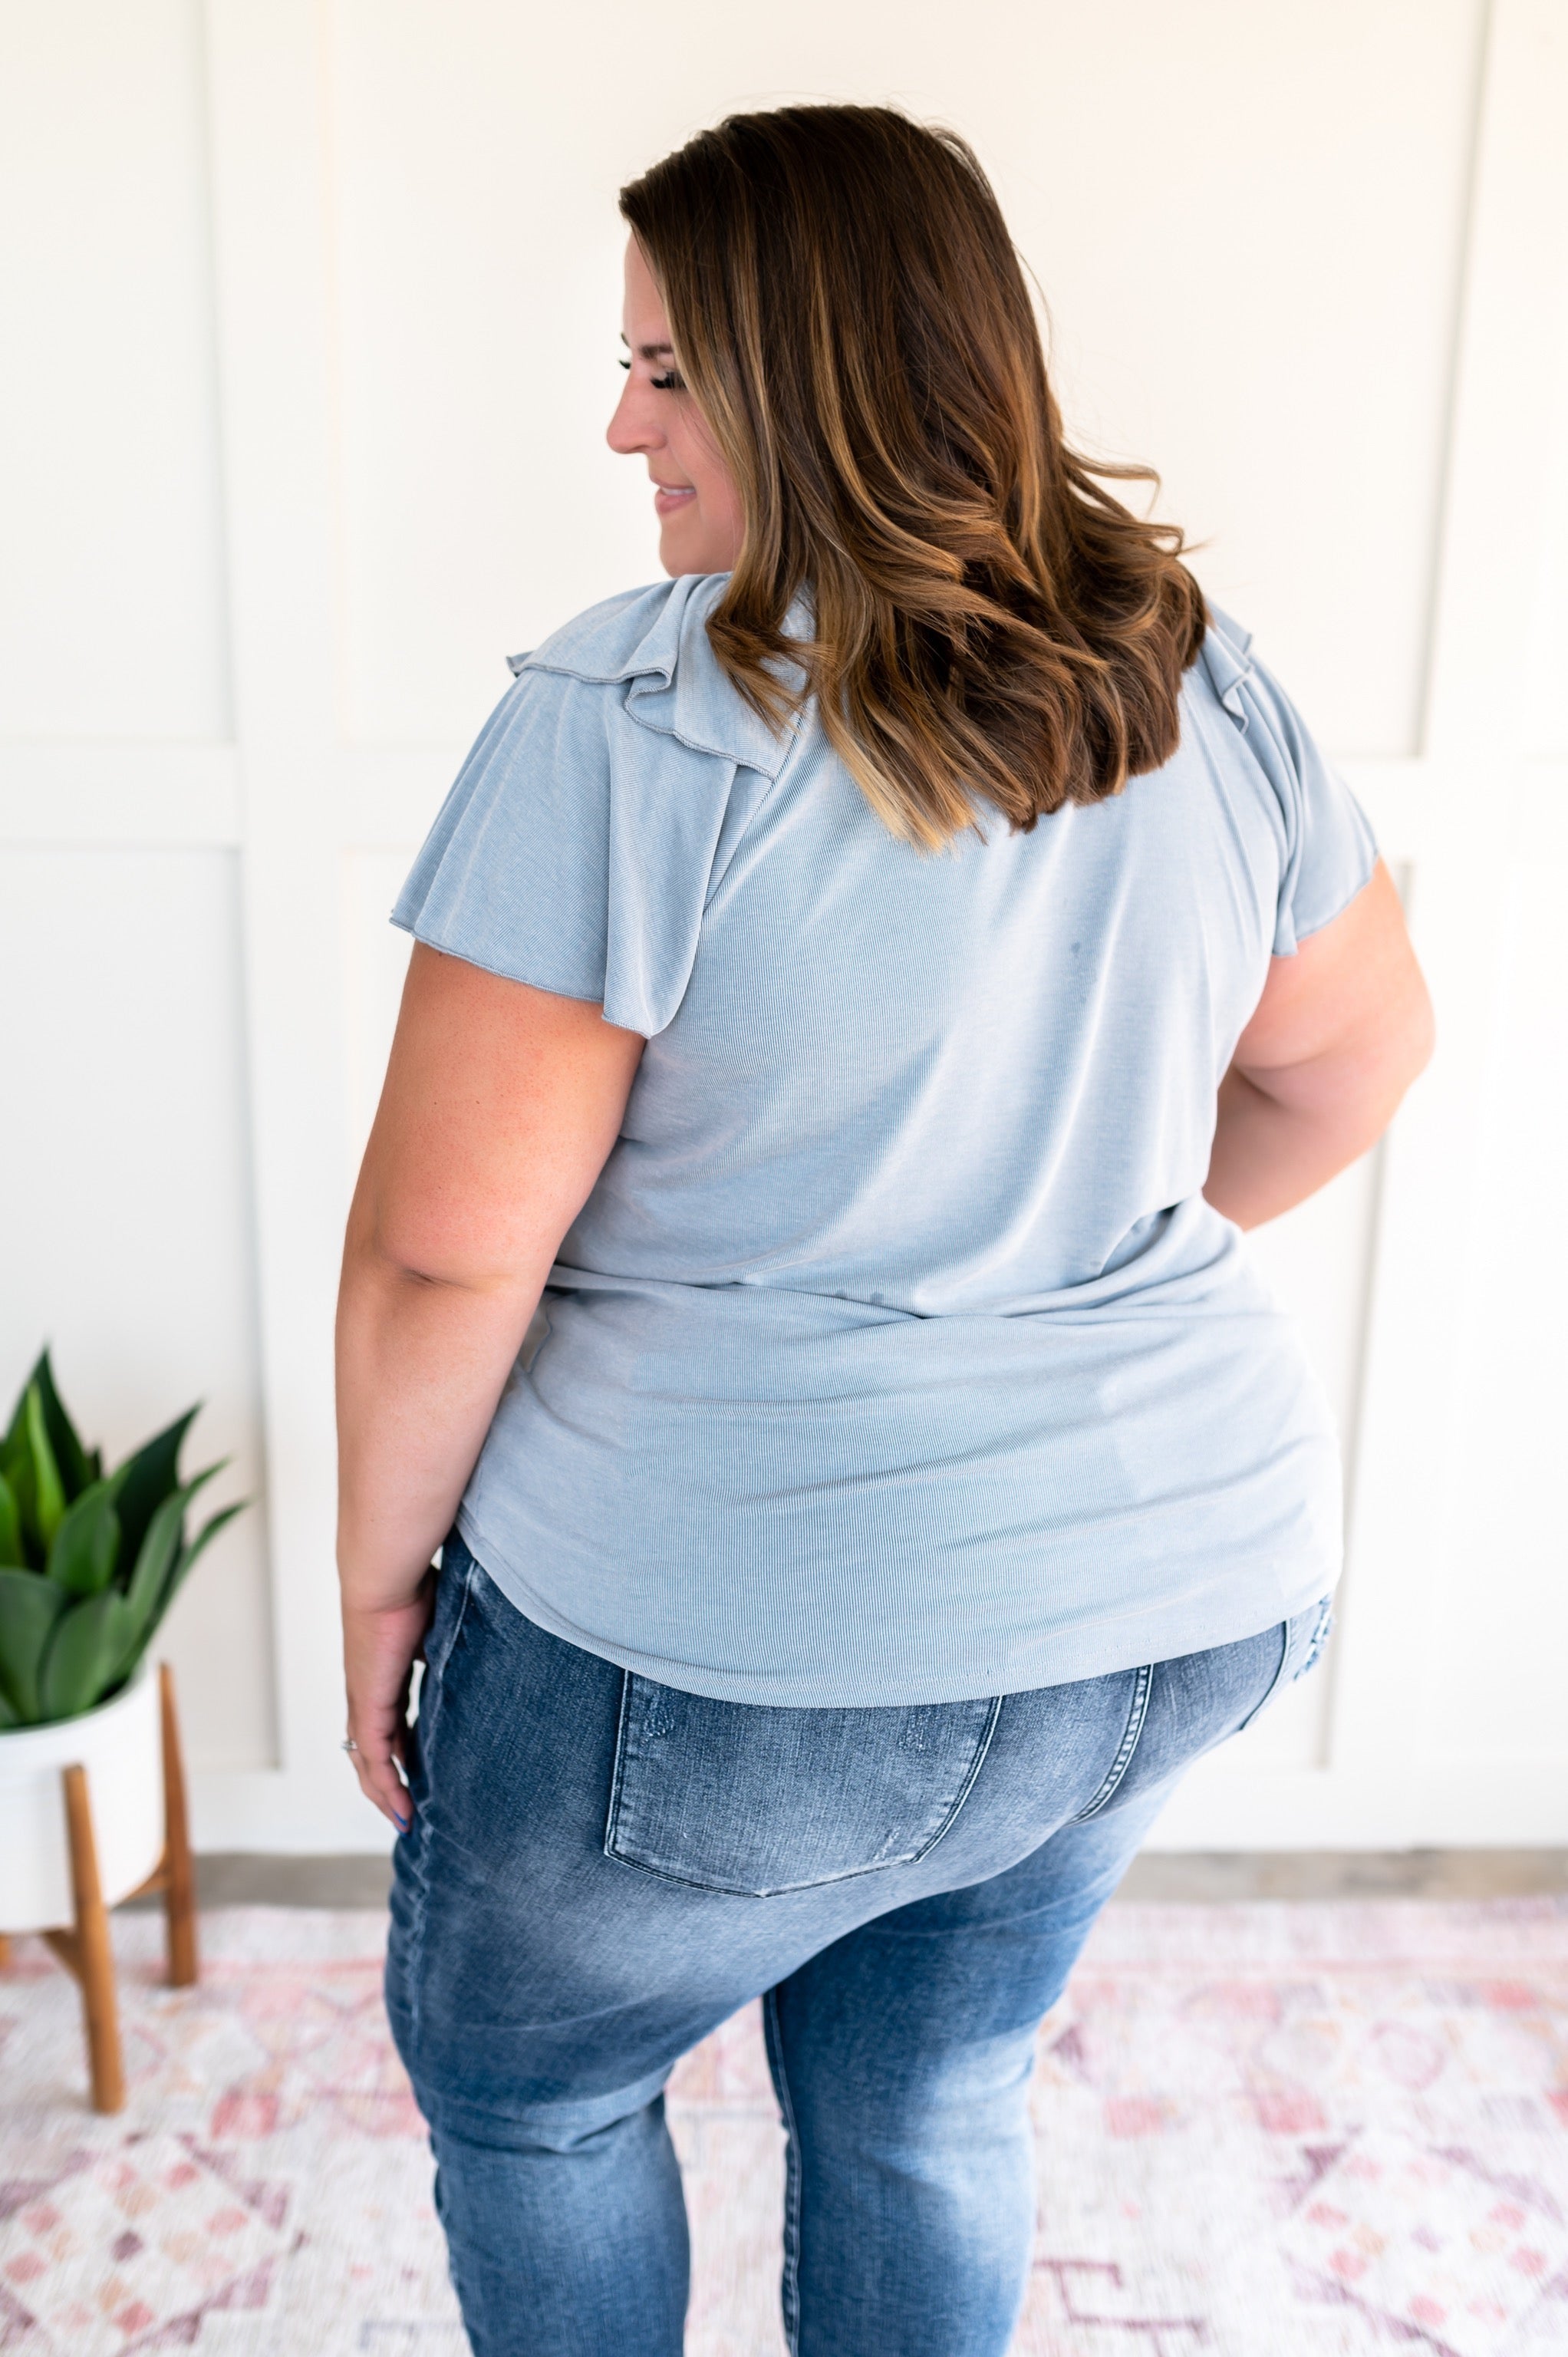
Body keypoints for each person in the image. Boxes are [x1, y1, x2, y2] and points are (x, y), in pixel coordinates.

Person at [334, 104, 1433, 2357]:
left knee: (539, 2101)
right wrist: (1031, 1256)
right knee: (928, 2094)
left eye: (668, 370)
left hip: (718, 1664)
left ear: (816, 371)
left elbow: (448, 1255)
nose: (620, 427)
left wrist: (373, 1590)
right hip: (1168, 1599)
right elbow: (1355, 1063)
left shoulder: (640, 712)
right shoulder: (1190, 677)